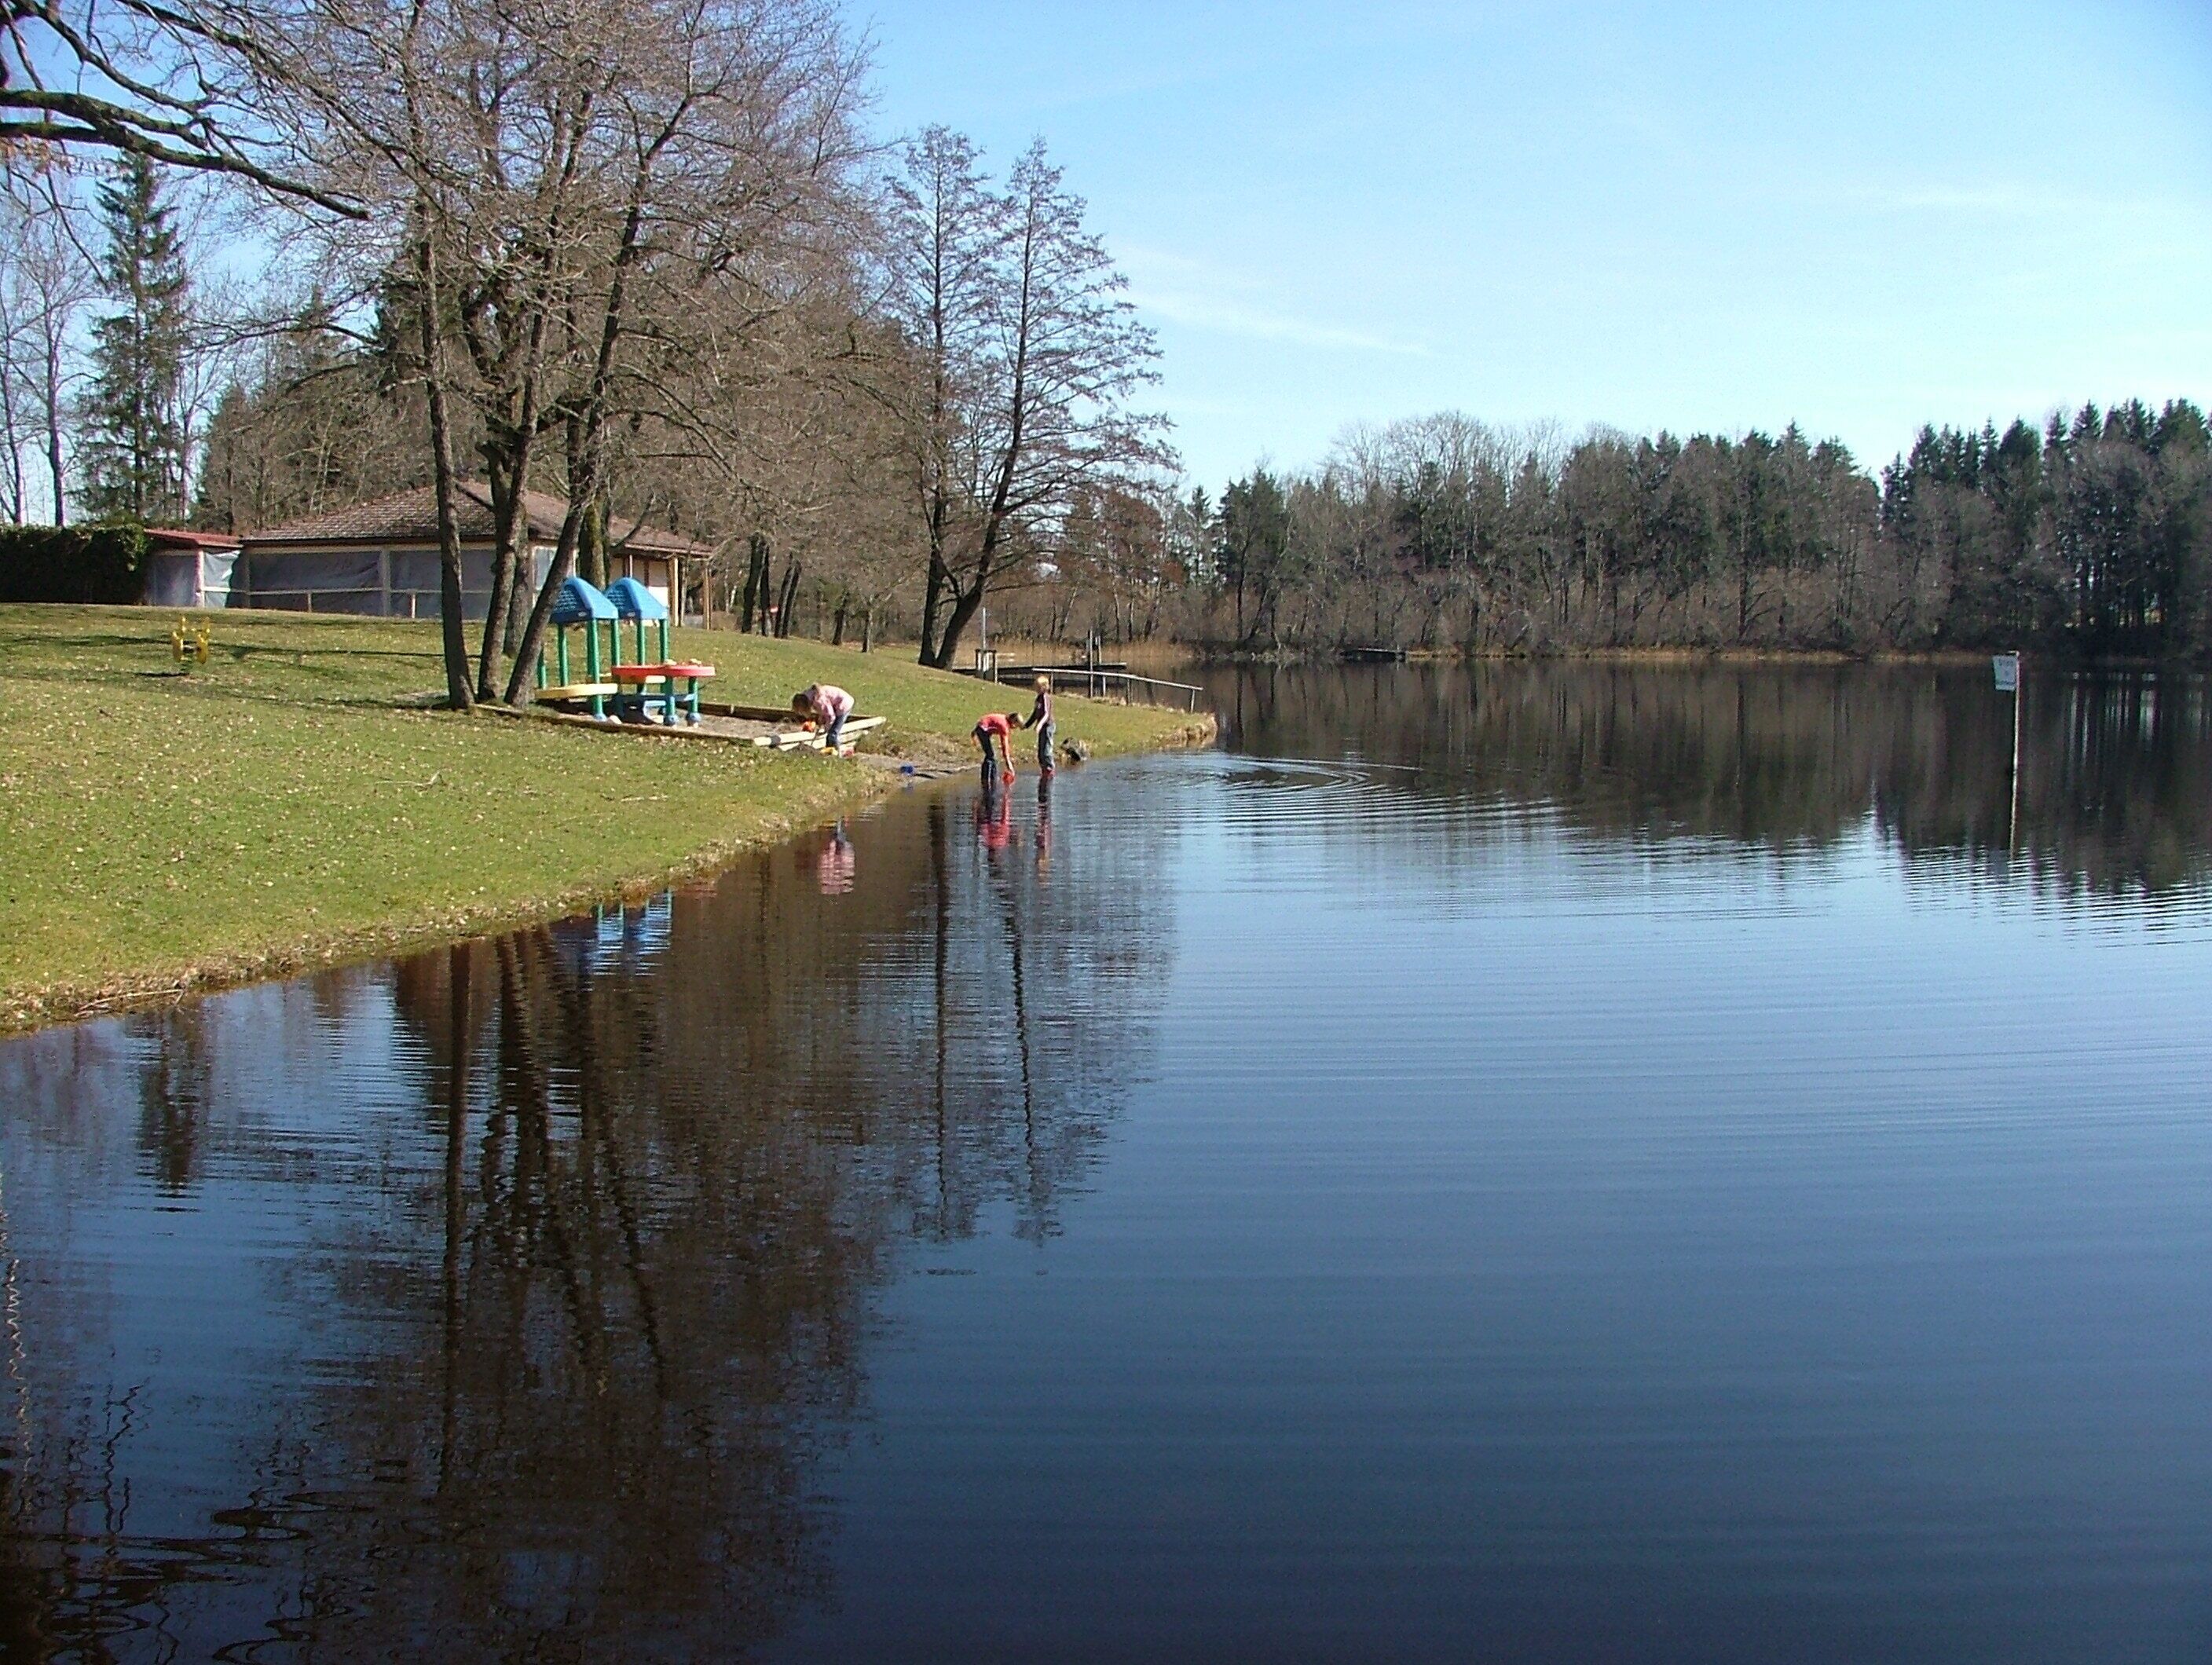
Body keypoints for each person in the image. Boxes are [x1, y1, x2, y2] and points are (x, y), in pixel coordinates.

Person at [791, 683, 854, 751]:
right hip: (835, 705)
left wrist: (827, 729)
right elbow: (824, 711)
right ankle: (828, 750)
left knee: (833, 734)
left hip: (844, 704)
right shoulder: (807, 696)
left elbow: (830, 716)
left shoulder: (819, 700)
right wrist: (821, 718)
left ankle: (837, 752)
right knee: (830, 733)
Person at [972, 708, 1020, 781]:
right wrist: (1009, 764)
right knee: (990, 755)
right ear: (1013, 721)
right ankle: (987, 779)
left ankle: (993, 777)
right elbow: (1004, 745)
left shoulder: (1003, 719)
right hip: (982, 729)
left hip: (982, 727)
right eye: (1016, 726)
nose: (1014, 728)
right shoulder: (1004, 726)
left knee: (992, 755)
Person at [1023, 674, 1056, 773]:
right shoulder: (1038, 699)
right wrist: (1026, 725)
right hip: (1042, 728)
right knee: (1040, 752)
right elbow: (1035, 714)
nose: (1035, 688)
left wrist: (1040, 724)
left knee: (1046, 751)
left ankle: (1050, 769)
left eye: (1038, 686)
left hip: (1048, 727)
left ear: (1044, 687)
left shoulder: (1046, 698)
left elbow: (1046, 713)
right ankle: (1044, 770)